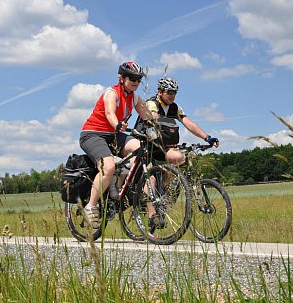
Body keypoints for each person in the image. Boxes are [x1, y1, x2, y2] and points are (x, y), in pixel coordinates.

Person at [79, 61, 153, 229]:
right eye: (132, 78)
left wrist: (158, 126)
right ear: (122, 78)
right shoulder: (112, 93)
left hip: (114, 135)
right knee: (108, 167)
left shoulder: (134, 97)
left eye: (138, 79)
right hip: (93, 134)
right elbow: (110, 113)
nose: (135, 81)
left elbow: (147, 115)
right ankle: (90, 206)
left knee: (140, 150)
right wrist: (117, 124)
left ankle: (121, 188)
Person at [143, 76, 219, 164]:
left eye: (175, 93)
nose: (173, 96)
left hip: (163, 146)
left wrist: (207, 138)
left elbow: (189, 123)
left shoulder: (174, 107)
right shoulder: (152, 103)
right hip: (146, 144)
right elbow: (154, 117)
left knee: (178, 158)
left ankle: (168, 177)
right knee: (151, 178)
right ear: (160, 92)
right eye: (170, 93)